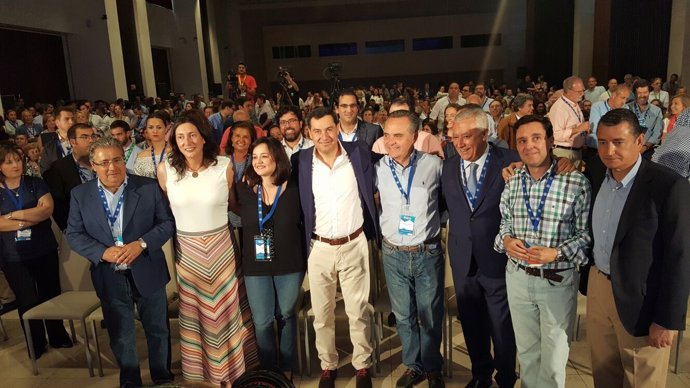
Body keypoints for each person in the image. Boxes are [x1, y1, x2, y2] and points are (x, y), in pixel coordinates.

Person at [587, 108, 690, 387]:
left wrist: (667, 319)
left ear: (640, 141)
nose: (609, 151)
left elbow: (679, 257)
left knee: (642, 380)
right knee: (604, 375)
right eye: (603, 142)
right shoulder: (597, 171)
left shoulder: (668, 186)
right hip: (598, 288)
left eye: (618, 142)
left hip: (643, 301)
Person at [157, 110, 259, 385]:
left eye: (192, 135)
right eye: (180, 137)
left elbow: (235, 205)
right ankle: (203, 372)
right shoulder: (165, 170)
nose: (187, 141)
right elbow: (166, 212)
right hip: (188, 252)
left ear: (203, 137)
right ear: (174, 142)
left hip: (222, 248)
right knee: (196, 315)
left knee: (228, 312)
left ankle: (234, 370)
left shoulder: (223, 165)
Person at [66, 137, 175, 388]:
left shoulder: (147, 187)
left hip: (147, 268)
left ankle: (161, 375)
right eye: (104, 163)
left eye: (117, 160)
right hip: (109, 273)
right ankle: (130, 380)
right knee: (121, 334)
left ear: (124, 160)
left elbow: (167, 224)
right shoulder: (80, 195)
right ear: (93, 165)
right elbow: (73, 234)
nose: (112, 167)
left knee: (158, 328)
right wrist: (102, 252)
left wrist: (142, 244)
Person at [494, 115, 591, 388]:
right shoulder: (512, 181)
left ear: (550, 141)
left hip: (556, 280)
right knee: (527, 355)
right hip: (518, 277)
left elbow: (585, 237)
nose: (529, 146)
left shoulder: (575, 182)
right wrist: (507, 239)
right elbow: (505, 223)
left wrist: (557, 253)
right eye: (523, 140)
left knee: (553, 359)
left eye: (536, 138)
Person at [291, 107, 379, 388]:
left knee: (358, 310)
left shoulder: (358, 153)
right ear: (308, 132)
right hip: (319, 247)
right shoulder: (301, 161)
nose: (324, 136)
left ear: (337, 127)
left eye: (329, 128)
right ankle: (328, 366)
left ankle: (362, 366)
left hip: (354, 243)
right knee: (322, 314)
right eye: (316, 131)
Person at [443, 106, 520, 388]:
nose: (460, 143)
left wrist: (566, 163)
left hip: (497, 259)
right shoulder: (448, 166)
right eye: (454, 138)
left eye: (467, 137)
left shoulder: (510, 160)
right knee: (472, 324)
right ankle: (481, 376)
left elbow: (543, 168)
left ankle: (507, 377)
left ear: (485, 134)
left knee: (502, 326)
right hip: (463, 260)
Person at [375, 110, 445, 388]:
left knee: (429, 315)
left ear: (415, 137)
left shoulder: (434, 165)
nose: (390, 142)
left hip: (427, 252)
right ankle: (413, 365)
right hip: (392, 254)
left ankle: (432, 367)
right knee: (403, 316)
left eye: (398, 136)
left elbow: (449, 198)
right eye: (387, 135)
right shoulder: (378, 168)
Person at [235, 137, 306, 376]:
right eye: (254, 157)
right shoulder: (243, 189)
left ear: (277, 157)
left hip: (290, 263)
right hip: (256, 266)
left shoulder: (296, 187)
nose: (258, 161)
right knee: (263, 320)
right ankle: (268, 369)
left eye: (264, 156)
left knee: (286, 315)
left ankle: (286, 366)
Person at [0, 143, 73, 360]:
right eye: (8, 161)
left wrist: (12, 216)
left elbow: (46, 211)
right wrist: (28, 218)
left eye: (17, 159)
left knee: (51, 294)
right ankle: (36, 343)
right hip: (13, 255)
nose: (15, 164)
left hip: (44, 249)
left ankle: (58, 335)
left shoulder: (35, 183)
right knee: (26, 300)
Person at [43, 124, 97, 231]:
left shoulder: (103, 162)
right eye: (85, 137)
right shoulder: (58, 169)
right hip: (80, 229)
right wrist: (71, 231)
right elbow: (59, 208)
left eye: (93, 136)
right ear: (73, 142)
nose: (91, 140)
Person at [371, 98, 445, 158]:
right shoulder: (379, 144)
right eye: (392, 115)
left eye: (402, 114)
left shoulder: (428, 139)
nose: (396, 119)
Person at [226, 121, 258, 232]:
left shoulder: (257, 162)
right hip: (227, 223)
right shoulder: (223, 162)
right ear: (231, 138)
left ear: (251, 140)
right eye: (237, 136)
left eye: (246, 137)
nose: (241, 140)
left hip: (251, 221)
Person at [586, 84, 631, 149]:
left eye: (626, 99)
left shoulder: (626, 108)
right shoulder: (597, 106)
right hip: (597, 147)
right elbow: (595, 129)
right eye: (622, 98)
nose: (624, 102)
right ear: (613, 95)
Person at [627, 79, 663, 159]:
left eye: (645, 92)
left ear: (649, 93)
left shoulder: (657, 110)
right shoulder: (627, 107)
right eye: (639, 93)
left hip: (647, 149)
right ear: (635, 94)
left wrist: (644, 147)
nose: (643, 95)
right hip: (628, 146)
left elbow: (656, 133)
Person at [133, 112, 171, 178]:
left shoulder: (175, 151)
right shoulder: (141, 156)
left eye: (159, 127)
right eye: (151, 127)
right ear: (146, 130)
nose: (155, 131)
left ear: (165, 129)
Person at [38, 106, 75, 173]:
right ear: (57, 122)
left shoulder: (82, 139)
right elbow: (45, 170)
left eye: (72, 119)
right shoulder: (49, 146)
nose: (71, 122)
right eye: (67, 119)